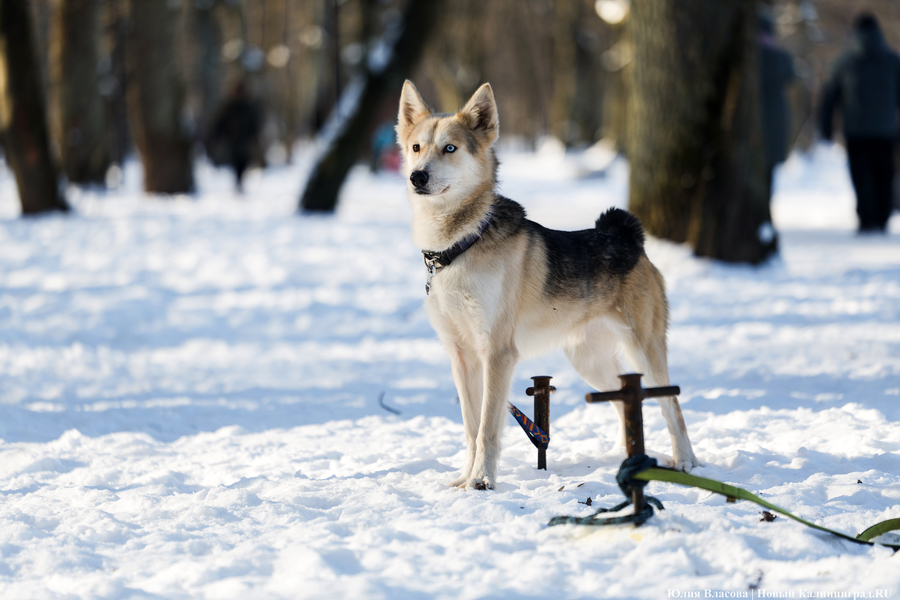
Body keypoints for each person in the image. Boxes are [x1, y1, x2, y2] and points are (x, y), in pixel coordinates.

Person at [820, 13, 900, 233]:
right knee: (884, 174)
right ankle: (882, 218)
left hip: (855, 129)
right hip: (885, 130)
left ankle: (867, 219)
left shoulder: (846, 61)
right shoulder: (892, 60)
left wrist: (826, 128)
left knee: (861, 174)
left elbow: (830, 97)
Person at [758, 9, 796, 201]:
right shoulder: (781, 57)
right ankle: (765, 209)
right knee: (768, 172)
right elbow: (792, 76)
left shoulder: (747, 56)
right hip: (774, 121)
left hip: (751, 123)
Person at [209, 81, 262, 192]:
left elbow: (254, 123)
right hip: (233, 140)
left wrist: (255, 137)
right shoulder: (230, 107)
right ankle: (238, 181)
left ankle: (240, 180)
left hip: (245, 141)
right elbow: (221, 123)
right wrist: (217, 136)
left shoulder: (249, 107)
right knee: (236, 161)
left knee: (244, 161)